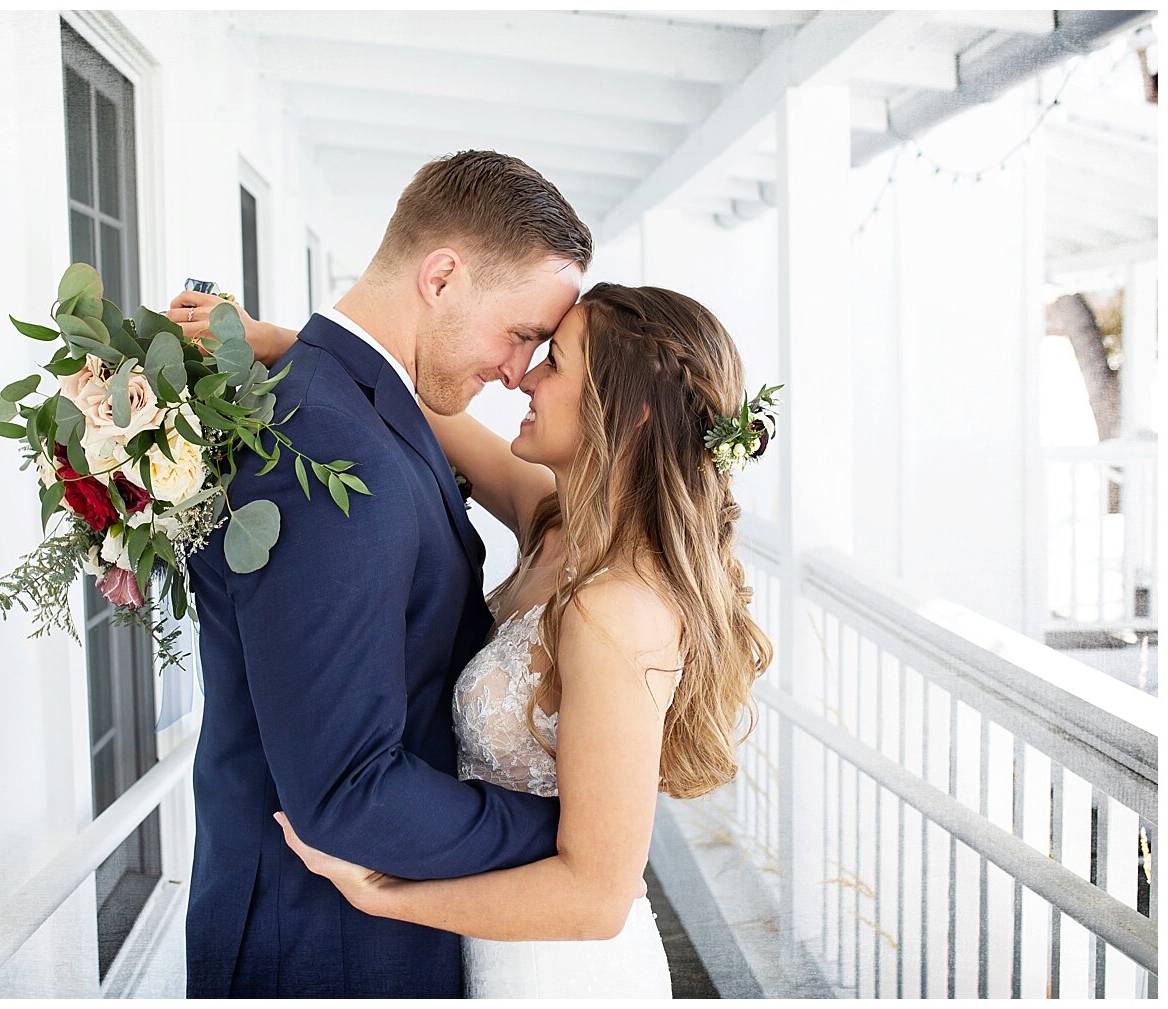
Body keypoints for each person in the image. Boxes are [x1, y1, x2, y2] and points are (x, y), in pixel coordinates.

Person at [175, 279, 775, 997]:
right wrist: (274, 343)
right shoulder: (552, 521)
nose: (525, 375)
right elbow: (409, 406)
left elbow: (596, 897)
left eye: (557, 360)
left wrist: (386, 895)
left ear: (631, 413)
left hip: (556, 974)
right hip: (482, 942)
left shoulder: (617, 611)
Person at [168, 150, 591, 998]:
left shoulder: (359, 405)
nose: (517, 372)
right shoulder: (327, 436)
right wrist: (569, 833)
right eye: (519, 335)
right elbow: (346, 796)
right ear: (441, 276)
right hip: (322, 946)